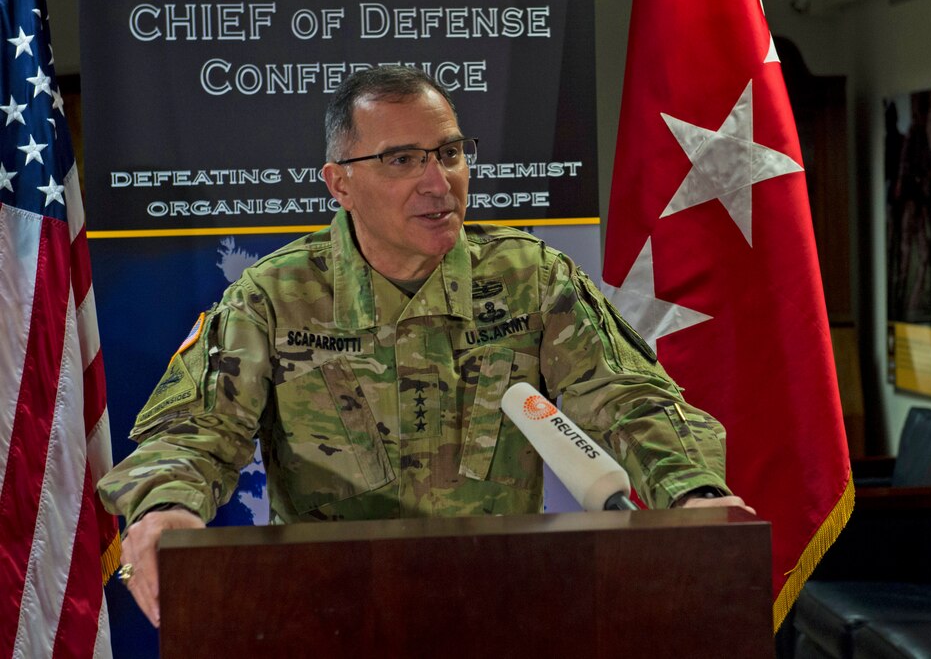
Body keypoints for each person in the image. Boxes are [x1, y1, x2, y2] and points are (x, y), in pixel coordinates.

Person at [98, 65, 751, 627]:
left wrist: (692, 490)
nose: (438, 181)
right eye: (402, 159)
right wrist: (164, 508)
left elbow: (627, 395)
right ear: (339, 183)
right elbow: (191, 431)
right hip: (331, 612)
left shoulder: (531, 277)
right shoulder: (273, 297)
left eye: (450, 152)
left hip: (504, 605)